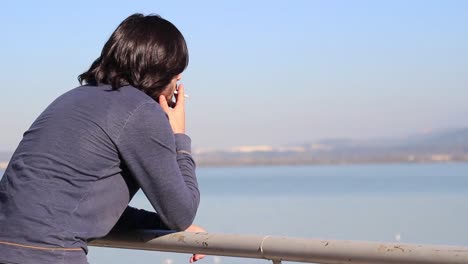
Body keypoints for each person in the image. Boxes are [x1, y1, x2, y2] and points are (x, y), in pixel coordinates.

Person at [0, 13, 205, 264]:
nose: (178, 84)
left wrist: (162, 225)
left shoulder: (70, 100)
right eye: (176, 76)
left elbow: (80, 204)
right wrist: (179, 137)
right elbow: (182, 212)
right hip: (48, 254)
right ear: (161, 72)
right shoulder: (140, 111)